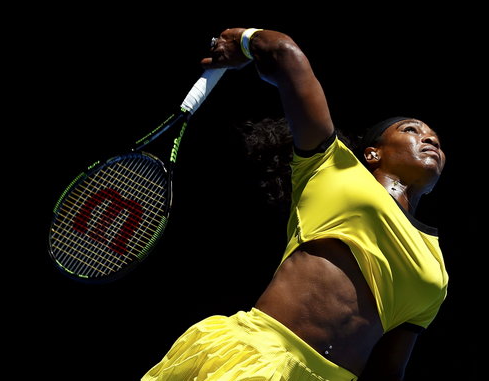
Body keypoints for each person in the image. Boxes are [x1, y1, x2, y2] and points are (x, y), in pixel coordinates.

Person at [141, 27, 448, 381]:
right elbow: (285, 54)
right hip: (257, 358)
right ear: (372, 152)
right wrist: (243, 40)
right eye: (412, 130)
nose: (429, 138)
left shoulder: (436, 268)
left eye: (435, 139)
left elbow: (388, 370)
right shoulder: (334, 166)